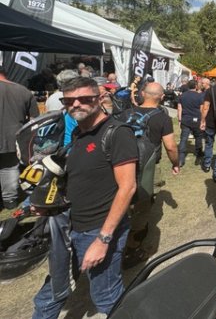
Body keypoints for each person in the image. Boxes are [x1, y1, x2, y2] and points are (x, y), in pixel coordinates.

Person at [32, 77, 137, 317]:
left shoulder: (117, 133)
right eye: (69, 100)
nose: (76, 104)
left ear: (100, 98)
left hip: (97, 229)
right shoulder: (79, 133)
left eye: (84, 99)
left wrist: (102, 240)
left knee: (107, 298)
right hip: (69, 227)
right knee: (49, 296)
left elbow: (127, 188)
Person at [121, 82, 179, 268]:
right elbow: (170, 146)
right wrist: (176, 163)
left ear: (142, 94)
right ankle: (132, 249)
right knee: (142, 205)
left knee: (122, 201)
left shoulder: (125, 113)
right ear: (162, 97)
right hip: (147, 167)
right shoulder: (162, 118)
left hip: (122, 165)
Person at [0, 65, 40, 209]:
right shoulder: (23, 90)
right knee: (9, 168)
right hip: (14, 137)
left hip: (12, 137)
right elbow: (35, 119)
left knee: (8, 168)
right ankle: (9, 200)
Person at [177, 79, 205, 168]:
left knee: (183, 138)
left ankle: (181, 159)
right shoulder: (200, 96)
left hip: (185, 120)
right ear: (196, 86)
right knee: (198, 138)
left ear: (188, 86)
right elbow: (202, 109)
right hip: (197, 120)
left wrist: (179, 120)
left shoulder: (182, 96)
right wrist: (203, 120)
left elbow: (179, 109)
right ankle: (198, 156)